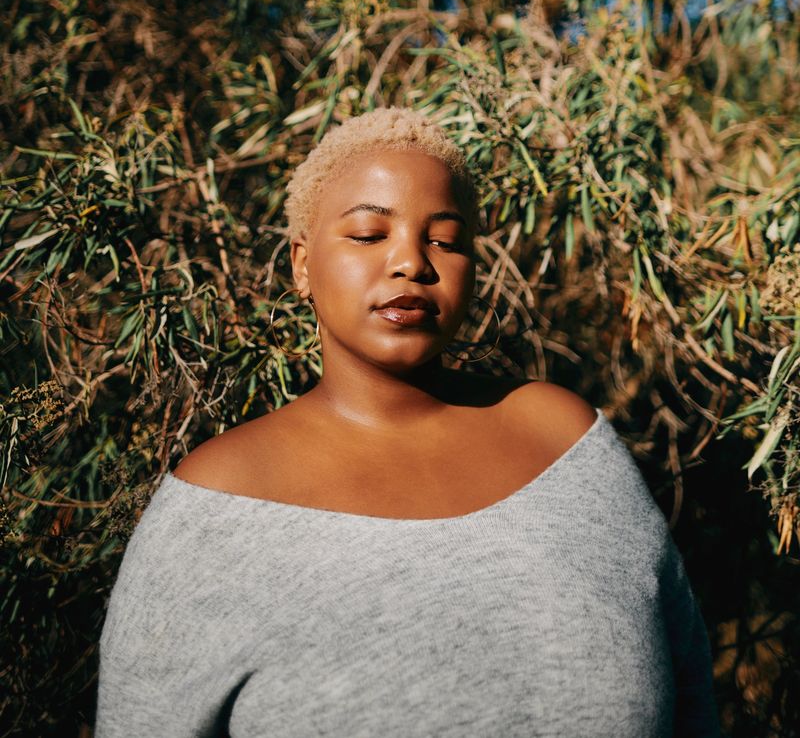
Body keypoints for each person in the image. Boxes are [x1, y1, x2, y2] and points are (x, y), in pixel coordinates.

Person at [94, 107, 721, 738]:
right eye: (369, 234)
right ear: (302, 266)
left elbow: (693, 699)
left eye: (445, 240)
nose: (412, 263)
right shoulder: (218, 501)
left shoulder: (565, 441)